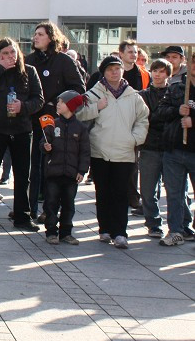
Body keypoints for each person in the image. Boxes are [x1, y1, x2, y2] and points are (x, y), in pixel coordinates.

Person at [75, 55, 148, 248]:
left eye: (117, 69)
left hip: (125, 152)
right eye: (110, 69)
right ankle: (104, 229)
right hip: (100, 151)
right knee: (103, 192)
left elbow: (143, 120)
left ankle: (120, 232)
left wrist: (135, 139)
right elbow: (79, 114)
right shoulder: (94, 93)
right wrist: (96, 108)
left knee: (120, 193)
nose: (114, 72)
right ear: (103, 73)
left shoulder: (133, 96)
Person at [0, 38, 44, 232]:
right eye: (4, 54)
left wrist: (23, 107)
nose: (9, 57)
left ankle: (22, 216)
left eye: (12, 53)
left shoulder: (29, 71)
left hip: (21, 129)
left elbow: (39, 99)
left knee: (22, 176)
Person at [26, 21, 84, 222]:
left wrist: (59, 103)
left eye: (40, 34)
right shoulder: (29, 60)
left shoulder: (64, 61)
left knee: (52, 168)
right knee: (33, 168)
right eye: (35, 34)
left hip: (57, 123)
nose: (36, 37)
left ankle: (50, 210)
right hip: (32, 121)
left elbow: (79, 89)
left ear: (51, 37)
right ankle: (29, 209)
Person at [154, 55, 195, 246]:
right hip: (175, 150)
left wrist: (193, 122)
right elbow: (160, 111)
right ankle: (176, 231)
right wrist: (177, 111)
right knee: (174, 193)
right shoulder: (177, 88)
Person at [40, 91, 90, 245]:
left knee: (69, 204)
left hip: (71, 174)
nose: (58, 104)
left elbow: (85, 152)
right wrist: (45, 146)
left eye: (61, 102)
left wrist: (82, 171)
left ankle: (66, 232)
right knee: (51, 203)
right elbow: (43, 143)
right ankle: (51, 231)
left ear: (71, 106)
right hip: (53, 172)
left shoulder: (80, 128)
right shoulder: (52, 124)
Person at [138, 58, 172, 238]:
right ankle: (153, 223)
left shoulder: (174, 93)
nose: (157, 75)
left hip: (169, 146)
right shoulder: (142, 95)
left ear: (168, 74)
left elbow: (168, 117)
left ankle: (180, 223)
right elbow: (143, 118)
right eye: (155, 71)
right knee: (148, 189)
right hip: (149, 146)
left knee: (175, 189)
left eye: (161, 71)